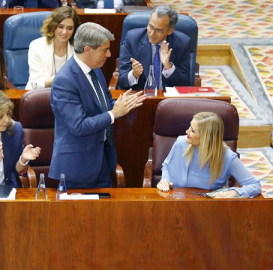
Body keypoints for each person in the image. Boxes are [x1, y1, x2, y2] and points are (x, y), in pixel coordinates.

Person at [49, 22, 146, 188]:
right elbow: (78, 126)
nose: (109, 54)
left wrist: (122, 104)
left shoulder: (96, 70)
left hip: (102, 159)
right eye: (104, 50)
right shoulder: (64, 81)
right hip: (77, 167)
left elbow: (105, 104)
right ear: (88, 50)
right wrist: (114, 114)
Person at [157, 112, 261, 198]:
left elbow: (255, 185)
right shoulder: (181, 143)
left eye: (192, 131)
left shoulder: (228, 157)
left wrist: (235, 192)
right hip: (175, 202)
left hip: (207, 209)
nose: (186, 131)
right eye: (190, 127)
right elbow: (166, 165)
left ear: (206, 138)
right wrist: (164, 180)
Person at [118, 5, 191, 90]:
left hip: (167, 98)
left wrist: (169, 67)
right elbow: (122, 81)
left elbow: (185, 84)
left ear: (170, 31)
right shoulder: (133, 39)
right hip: (140, 97)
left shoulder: (182, 43)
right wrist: (134, 74)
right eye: (151, 27)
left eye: (159, 30)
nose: (152, 34)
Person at [26, 6, 80, 90]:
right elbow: (36, 83)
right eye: (60, 27)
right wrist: (65, 76)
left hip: (68, 95)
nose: (64, 32)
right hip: (40, 95)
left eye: (69, 28)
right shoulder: (36, 46)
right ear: (53, 26)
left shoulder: (78, 48)